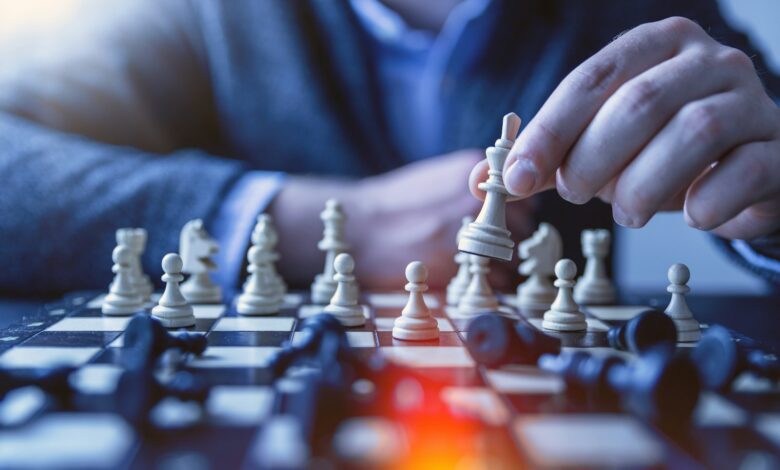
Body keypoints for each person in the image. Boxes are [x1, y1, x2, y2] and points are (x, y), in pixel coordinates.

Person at [0, 0, 778, 296]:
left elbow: (756, 135)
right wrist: (319, 222)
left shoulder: (634, 12)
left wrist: (774, 210)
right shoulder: (191, 16)